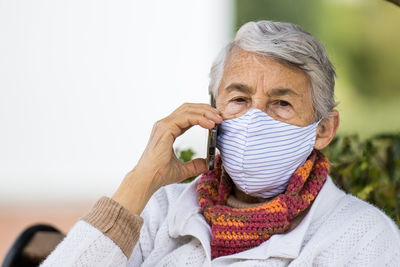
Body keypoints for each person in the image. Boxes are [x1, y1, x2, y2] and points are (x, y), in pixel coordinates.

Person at [41, 21, 400, 266]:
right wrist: (139, 182)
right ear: (212, 112)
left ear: (323, 129)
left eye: (282, 103)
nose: (255, 119)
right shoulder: (160, 211)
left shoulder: (362, 236)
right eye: (239, 100)